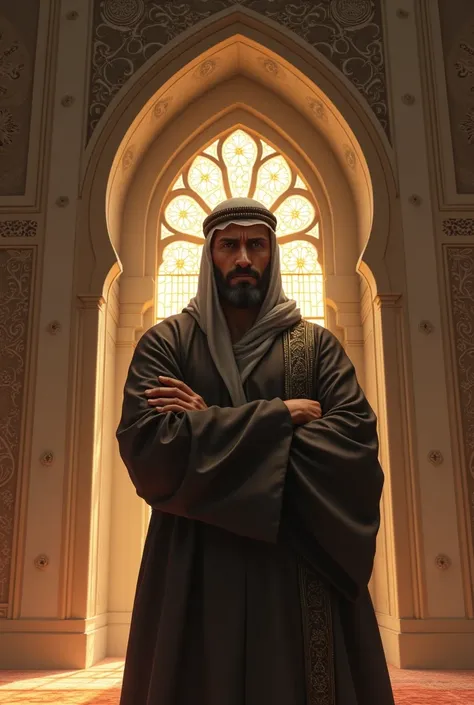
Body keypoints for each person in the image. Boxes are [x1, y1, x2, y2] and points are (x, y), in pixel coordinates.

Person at [116, 197, 395, 705]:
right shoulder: (167, 344)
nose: (243, 257)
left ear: (272, 254)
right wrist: (278, 416)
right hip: (193, 565)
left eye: (256, 244)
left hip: (296, 560)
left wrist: (206, 425)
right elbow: (149, 450)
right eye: (229, 245)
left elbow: (352, 444)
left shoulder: (317, 347)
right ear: (209, 255)